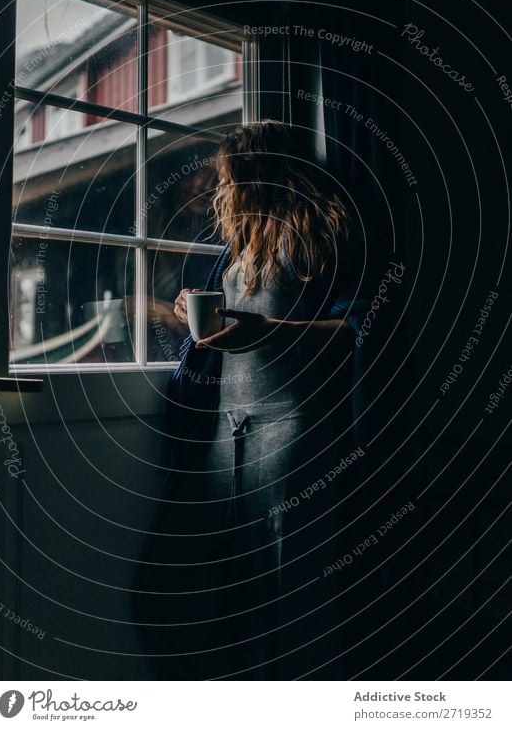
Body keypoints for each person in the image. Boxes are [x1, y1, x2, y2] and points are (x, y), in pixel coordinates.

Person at [159, 120, 374, 680]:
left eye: (228, 178)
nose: (220, 192)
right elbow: (227, 328)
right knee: (231, 594)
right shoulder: (238, 248)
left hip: (290, 434)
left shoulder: (316, 235)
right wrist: (191, 309)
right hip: (225, 435)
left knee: (296, 596)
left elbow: (357, 329)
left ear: (260, 174)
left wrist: (270, 330)